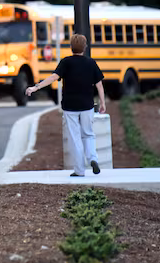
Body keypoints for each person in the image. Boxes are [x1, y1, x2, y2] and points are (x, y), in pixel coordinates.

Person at [26, 33, 106, 177]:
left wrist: (35, 87)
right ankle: (93, 158)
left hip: (70, 106)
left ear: (71, 47)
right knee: (88, 134)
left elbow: (53, 77)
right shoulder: (91, 63)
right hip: (87, 105)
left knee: (75, 138)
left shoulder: (66, 62)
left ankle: (79, 170)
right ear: (85, 47)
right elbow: (99, 86)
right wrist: (102, 103)